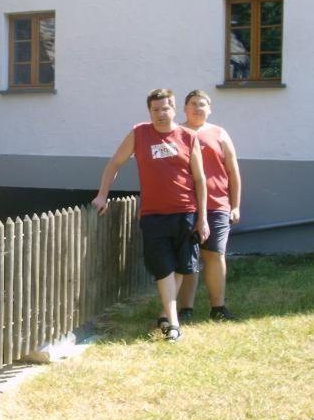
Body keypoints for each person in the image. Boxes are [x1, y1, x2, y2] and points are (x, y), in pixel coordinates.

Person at [92, 89, 209, 342]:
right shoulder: (140, 134)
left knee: (180, 267)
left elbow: (200, 179)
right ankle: (174, 322)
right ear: (150, 112)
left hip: (186, 212)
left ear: (174, 109)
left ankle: (166, 315)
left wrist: (203, 218)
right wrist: (102, 194)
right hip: (154, 215)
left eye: (165, 109)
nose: (160, 114)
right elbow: (114, 163)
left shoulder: (188, 137)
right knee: (163, 268)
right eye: (155, 110)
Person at [177, 90, 241, 322]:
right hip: (184, 204)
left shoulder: (220, 134)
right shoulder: (176, 133)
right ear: (185, 108)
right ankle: (185, 310)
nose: (197, 108)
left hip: (217, 204)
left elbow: (233, 172)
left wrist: (235, 205)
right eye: (193, 104)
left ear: (210, 108)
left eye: (202, 104)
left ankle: (218, 308)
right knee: (187, 258)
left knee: (214, 254)